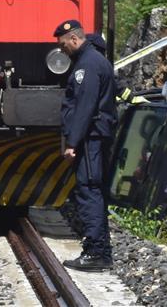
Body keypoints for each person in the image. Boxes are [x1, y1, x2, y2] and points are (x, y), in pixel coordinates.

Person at [54, 19, 118, 271]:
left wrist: (72, 141)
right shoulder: (93, 61)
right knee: (94, 191)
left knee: (89, 191)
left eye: (63, 45)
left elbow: (84, 106)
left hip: (90, 138)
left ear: (74, 39)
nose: (62, 50)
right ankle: (100, 250)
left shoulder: (88, 65)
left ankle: (95, 252)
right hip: (94, 136)